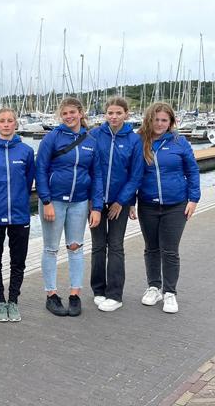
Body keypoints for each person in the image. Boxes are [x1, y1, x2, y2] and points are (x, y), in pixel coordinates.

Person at [36, 97, 102, 317]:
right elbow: (41, 170)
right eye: (64, 113)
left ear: (80, 113)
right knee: (51, 249)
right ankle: (51, 295)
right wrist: (46, 201)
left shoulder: (91, 141)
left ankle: (75, 294)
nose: (69, 116)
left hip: (79, 202)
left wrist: (96, 207)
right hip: (53, 201)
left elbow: (97, 175)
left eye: (72, 112)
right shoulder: (52, 138)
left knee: (75, 247)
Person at [136, 102, 200, 314]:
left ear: (171, 121)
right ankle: (154, 287)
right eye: (156, 119)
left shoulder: (179, 142)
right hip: (147, 205)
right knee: (151, 248)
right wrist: (129, 203)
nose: (160, 124)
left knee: (170, 250)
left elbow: (192, 171)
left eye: (164, 120)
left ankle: (170, 292)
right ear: (149, 119)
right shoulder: (140, 141)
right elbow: (133, 175)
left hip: (176, 205)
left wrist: (193, 199)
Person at [0, 108, 35, 322]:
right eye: (1, 120)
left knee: (18, 261)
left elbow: (28, 181)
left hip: (19, 215)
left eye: (9, 120)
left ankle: (13, 300)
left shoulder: (26, 151)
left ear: (15, 124)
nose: (5, 124)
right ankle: (0, 301)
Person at [89, 97, 143, 312]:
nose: (113, 117)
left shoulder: (134, 140)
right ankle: (98, 290)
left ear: (126, 114)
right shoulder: (95, 135)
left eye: (118, 113)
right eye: (110, 113)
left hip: (120, 201)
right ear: (105, 114)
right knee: (98, 246)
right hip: (96, 200)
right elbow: (92, 169)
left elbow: (136, 174)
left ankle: (115, 294)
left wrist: (122, 201)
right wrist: (95, 202)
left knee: (116, 245)